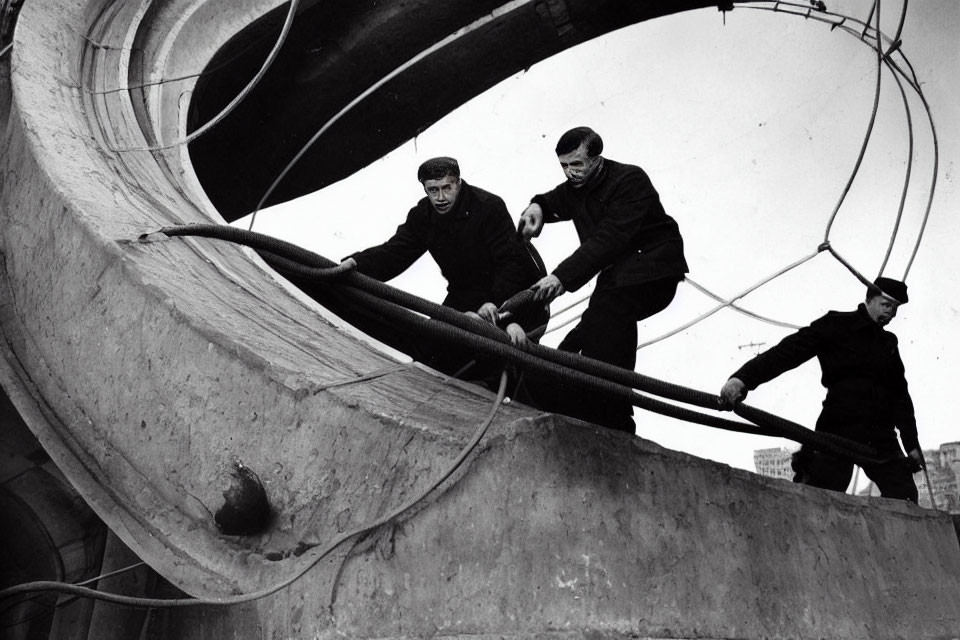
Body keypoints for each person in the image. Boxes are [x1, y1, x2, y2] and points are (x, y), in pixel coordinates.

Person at [517, 126, 688, 433]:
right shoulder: (575, 187)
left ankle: (614, 414)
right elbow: (552, 199)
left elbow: (608, 240)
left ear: (597, 159)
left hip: (653, 273)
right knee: (580, 338)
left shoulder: (629, 180)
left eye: (577, 165)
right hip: (616, 279)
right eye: (564, 166)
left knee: (609, 315)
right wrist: (537, 207)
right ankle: (554, 388)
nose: (571, 173)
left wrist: (560, 278)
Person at [718, 277, 923, 502]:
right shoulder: (836, 325)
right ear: (869, 299)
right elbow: (788, 352)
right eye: (887, 305)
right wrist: (741, 380)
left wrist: (911, 444)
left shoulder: (888, 344)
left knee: (905, 497)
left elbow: (900, 395)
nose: (891, 314)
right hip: (839, 426)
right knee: (820, 496)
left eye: (895, 309)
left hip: (880, 435)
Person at [342, 156, 548, 378]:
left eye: (447, 188)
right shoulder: (423, 215)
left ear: (458, 183)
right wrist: (355, 264)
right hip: (466, 295)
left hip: (515, 297)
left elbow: (511, 265)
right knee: (429, 346)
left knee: (492, 358)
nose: (440, 197)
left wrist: (496, 306)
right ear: (424, 189)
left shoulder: (489, 207)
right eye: (433, 190)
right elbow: (394, 253)